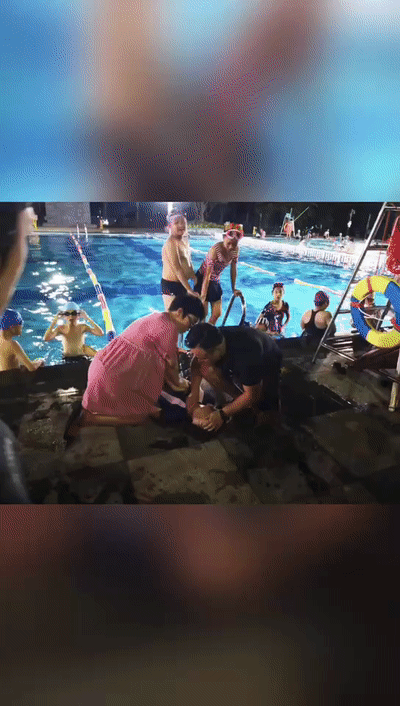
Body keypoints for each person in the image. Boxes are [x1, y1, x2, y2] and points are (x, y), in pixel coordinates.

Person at [63, 294, 205, 444]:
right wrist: (188, 385)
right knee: (140, 417)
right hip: (113, 378)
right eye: (191, 322)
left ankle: (93, 408)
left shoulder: (157, 317)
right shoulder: (170, 330)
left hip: (102, 365)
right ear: (180, 312)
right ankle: (88, 419)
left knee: (151, 397)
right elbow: (175, 381)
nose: (190, 328)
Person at [184, 322, 283, 431]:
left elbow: (252, 394)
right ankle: (240, 402)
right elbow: (197, 364)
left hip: (268, 359)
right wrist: (194, 403)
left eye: (204, 358)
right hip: (233, 355)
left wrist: (222, 414)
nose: (199, 360)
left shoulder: (247, 356)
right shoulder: (209, 338)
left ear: (217, 350)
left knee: (264, 406)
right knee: (207, 369)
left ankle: (263, 416)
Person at [193, 223, 243, 325]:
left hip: (215, 279)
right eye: (229, 243)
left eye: (234, 244)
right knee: (203, 313)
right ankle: (199, 330)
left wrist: (233, 288)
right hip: (203, 278)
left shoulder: (236, 250)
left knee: (217, 313)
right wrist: (203, 297)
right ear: (224, 238)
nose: (231, 247)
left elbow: (233, 269)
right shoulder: (215, 250)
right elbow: (207, 275)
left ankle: (208, 331)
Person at [161, 212, 199, 311]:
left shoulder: (183, 241)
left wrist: (193, 276)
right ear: (169, 226)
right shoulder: (170, 244)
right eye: (177, 223)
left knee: (183, 314)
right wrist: (189, 289)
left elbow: (188, 261)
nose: (181, 225)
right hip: (171, 286)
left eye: (183, 222)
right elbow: (177, 269)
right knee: (172, 316)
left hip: (182, 284)